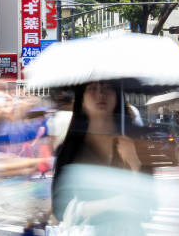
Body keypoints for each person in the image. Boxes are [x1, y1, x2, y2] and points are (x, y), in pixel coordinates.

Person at [51, 81, 148, 236]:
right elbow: (60, 208)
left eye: (107, 88)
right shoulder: (70, 149)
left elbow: (148, 205)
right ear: (82, 99)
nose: (100, 94)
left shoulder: (133, 143)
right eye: (92, 89)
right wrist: (110, 204)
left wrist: (135, 163)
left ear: (117, 96)